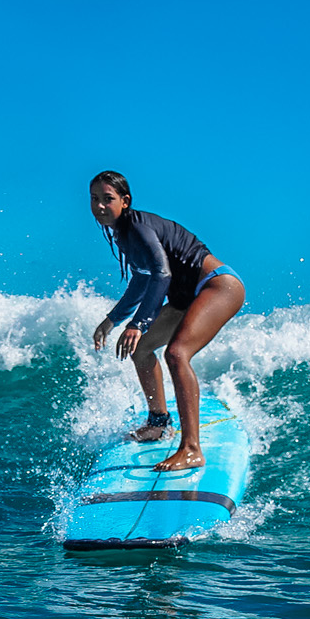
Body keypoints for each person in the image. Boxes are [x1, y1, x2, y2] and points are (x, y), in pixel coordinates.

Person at [88, 170, 245, 472]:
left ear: (125, 201)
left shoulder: (138, 227)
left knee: (176, 353)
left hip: (218, 285)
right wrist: (112, 321)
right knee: (141, 350)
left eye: (108, 199)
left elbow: (162, 274)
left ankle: (191, 449)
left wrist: (138, 324)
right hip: (186, 298)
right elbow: (141, 280)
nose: (100, 206)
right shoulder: (124, 233)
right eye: (94, 199)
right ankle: (158, 423)